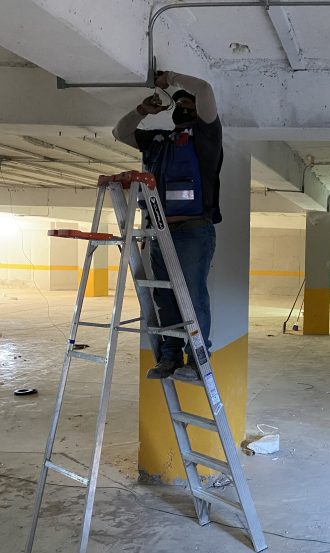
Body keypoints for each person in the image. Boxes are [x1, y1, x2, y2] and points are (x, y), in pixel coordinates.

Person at [113, 71, 223, 382]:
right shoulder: (159, 142)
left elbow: (205, 88)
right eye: (180, 104)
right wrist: (142, 111)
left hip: (193, 231)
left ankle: (198, 360)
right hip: (158, 233)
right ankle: (170, 356)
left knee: (192, 296)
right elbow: (120, 132)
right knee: (165, 298)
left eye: (189, 103)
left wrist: (171, 79)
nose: (184, 106)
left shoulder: (206, 139)